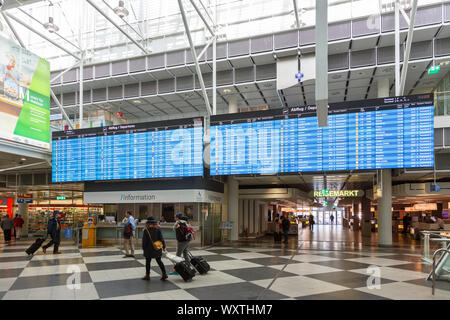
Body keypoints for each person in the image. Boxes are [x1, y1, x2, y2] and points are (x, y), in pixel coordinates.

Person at [142, 216, 168, 281]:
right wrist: (164, 246)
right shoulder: (158, 229)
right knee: (159, 261)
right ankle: (164, 274)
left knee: (148, 262)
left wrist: (143, 247)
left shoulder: (146, 230)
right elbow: (161, 239)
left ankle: (147, 275)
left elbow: (144, 241)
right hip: (157, 248)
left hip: (148, 249)